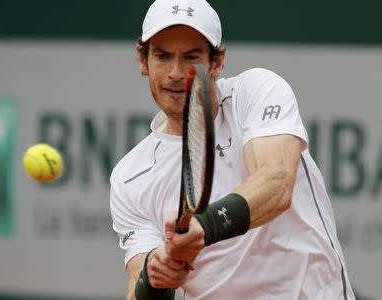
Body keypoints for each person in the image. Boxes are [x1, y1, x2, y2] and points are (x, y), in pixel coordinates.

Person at [110, 0, 356, 299]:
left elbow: (276, 183)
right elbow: (139, 286)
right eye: (162, 56)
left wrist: (205, 225)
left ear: (217, 62)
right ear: (142, 59)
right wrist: (156, 276)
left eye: (190, 57)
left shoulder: (256, 92)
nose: (175, 73)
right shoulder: (128, 178)